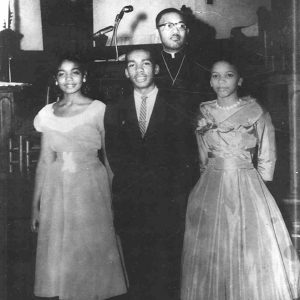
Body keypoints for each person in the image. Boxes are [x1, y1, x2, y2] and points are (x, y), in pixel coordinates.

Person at [181, 59, 300, 300]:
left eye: (228, 75)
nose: (221, 81)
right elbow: (202, 154)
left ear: (240, 80)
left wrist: (260, 190)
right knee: (214, 249)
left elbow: (268, 153)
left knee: (247, 245)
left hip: (246, 183)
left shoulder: (256, 110)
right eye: (215, 76)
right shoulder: (204, 111)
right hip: (211, 185)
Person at [30, 54, 127, 300]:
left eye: (74, 72)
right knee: (62, 249)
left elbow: (109, 157)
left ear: (84, 77)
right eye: (62, 74)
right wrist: (35, 205)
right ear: (55, 80)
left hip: (90, 184)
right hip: (56, 187)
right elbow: (44, 160)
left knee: (88, 246)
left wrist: (115, 198)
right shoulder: (46, 113)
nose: (69, 79)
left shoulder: (98, 110)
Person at [104, 47, 191, 300]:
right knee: (136, 266)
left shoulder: (177, 104)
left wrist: (174, 194)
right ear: (126, 71)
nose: (139, 70)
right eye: (132, 65)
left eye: (145, 64)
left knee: (167, 267)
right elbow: (115, 155)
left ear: (156, 68)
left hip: (168, 201)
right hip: (131, 201)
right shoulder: (115, 108)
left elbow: (185, 155)